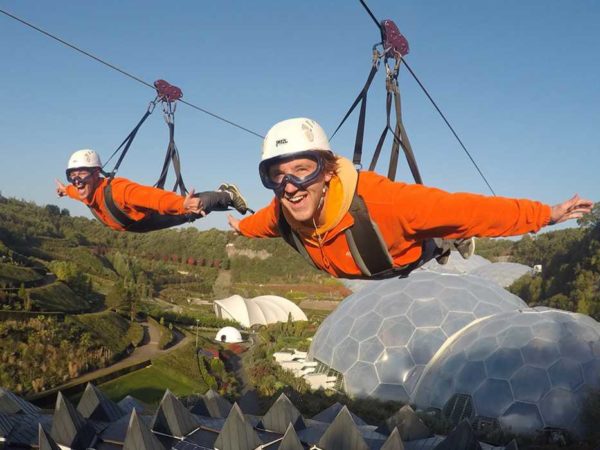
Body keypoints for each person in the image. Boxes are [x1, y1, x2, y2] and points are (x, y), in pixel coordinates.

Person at [228, 117, 593, 279]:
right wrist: (239, 227)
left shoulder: (388, 204)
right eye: (276, 176)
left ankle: (452, 242)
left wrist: (545, 215)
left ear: (327, 170)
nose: (290, 185)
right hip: (370, 265)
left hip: (406, 255)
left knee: (446, 229)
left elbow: (475, 210)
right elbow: (257, 224)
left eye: (302, 169)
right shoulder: (281, 212)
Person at [56, 149, 249, 232]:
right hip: (136, 226)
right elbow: (75, 191)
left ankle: (227, 194)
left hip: (149, 218)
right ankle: (216, 198)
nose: (77, 181)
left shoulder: (118, 190)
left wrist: (181, 204)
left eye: (81, 175)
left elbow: (154, 197)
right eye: (72, 177)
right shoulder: (85, 192)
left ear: (96, 173)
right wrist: (65, 190)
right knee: (190, 210)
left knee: (190, 211)